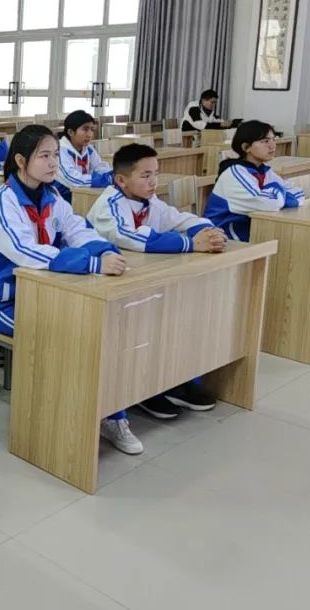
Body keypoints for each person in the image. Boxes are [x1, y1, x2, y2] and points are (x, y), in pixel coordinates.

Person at [0, 126, 138, 452]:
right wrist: (92, 264)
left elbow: (78, 229)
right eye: (44, 156)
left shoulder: (52, 196)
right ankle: (57, 425)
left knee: (101, 327)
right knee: (69, 336)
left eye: (56, 155)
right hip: (5, 300)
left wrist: (104, 251)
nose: (53, 163)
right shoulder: (2, 201)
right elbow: (26, 252)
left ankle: (111, 414)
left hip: (49, 291)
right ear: (21, 161)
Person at [87, 142, 225, 420]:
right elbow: (131, 237)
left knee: (178, 315)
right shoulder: (108, 205)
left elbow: (179, 219)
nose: (153, 182)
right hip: (104, 289)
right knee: (145, 326)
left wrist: (208, 231)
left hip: (141, 278)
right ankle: (144, 389)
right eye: (145, 175)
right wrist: (191, 244)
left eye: (156, 174)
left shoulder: (150, 203)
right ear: (121, 180)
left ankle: (171, 379)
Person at [204, 120, 304, 241]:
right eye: (265, 141)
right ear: (246, 147)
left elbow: (298, 193)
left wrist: (275, 194)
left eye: (273, 140)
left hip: (250, 233)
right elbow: (268, 203)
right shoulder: (233, 173)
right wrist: (277, 191)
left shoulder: (263, 170)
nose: (273, 146)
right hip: (224, 239)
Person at [54, 110, 113, 201]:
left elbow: (99, 167)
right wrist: (104, 180)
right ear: (70, 132)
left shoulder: (88, 148)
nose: (90, 134)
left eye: (92, 130)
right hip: (62, 196)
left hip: (82, 192)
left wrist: (113, 174)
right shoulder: (59, 150)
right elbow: (73, 180)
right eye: (85, 129)